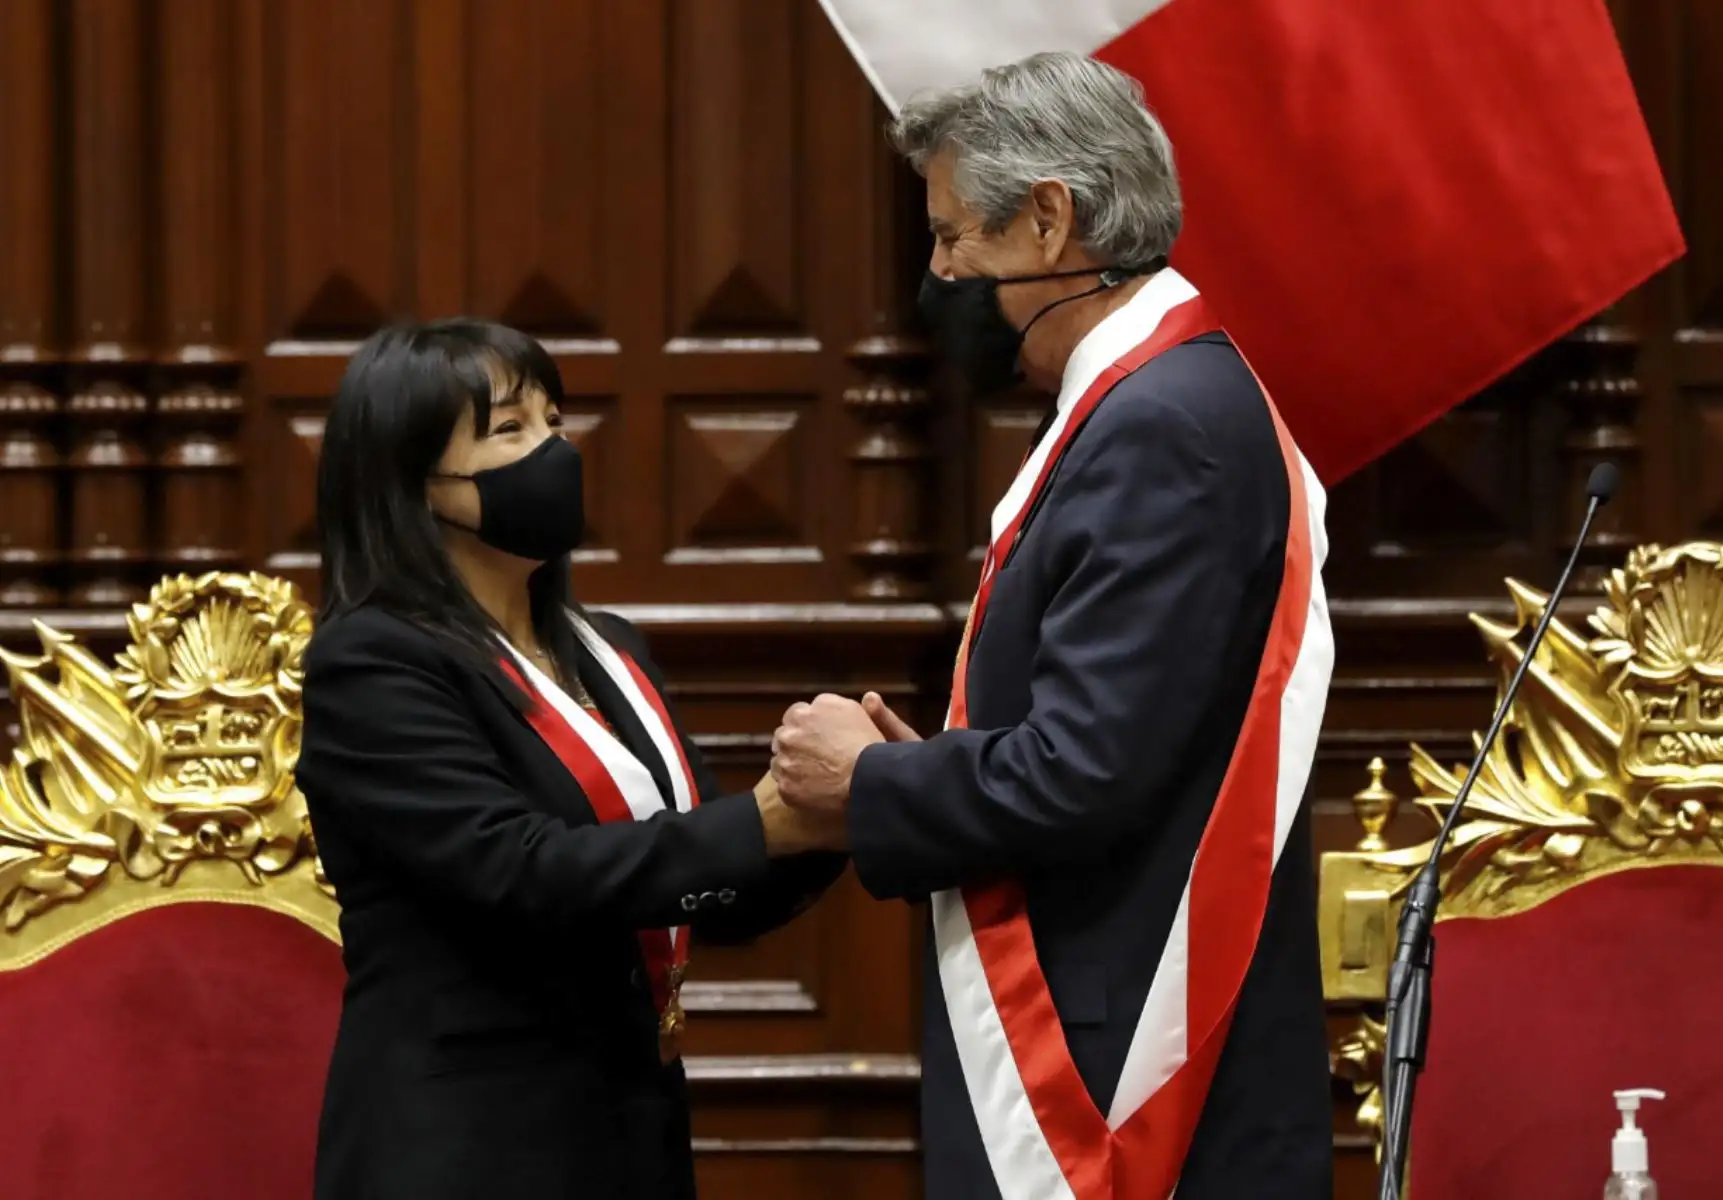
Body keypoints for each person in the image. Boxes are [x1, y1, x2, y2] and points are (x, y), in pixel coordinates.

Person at [769, 52, 1336, 1199]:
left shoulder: (1159, 426)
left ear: (1047, 219)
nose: (937, 275)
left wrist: (871, 785)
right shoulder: (1162, 398)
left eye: (950, 237)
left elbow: (1086, 775)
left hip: (1115, 1082)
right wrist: (924, 765)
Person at [298, 318, 846, 1200]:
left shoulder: (609, 653)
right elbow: (517, 869)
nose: (554, 451)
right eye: (510, 430)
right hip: (469, 1150)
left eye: (553, 421)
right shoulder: (373, 663)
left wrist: (832, 814)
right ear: (412, 483)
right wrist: (759, 823)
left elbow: (709, 876)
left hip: (628, 1131)